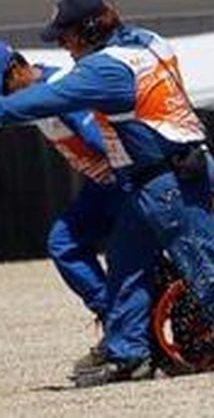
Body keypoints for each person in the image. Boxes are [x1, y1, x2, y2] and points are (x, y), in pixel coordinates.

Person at [0, 0, 214, 386]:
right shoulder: (146, 41)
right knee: (126, 264)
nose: (62, 46)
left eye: (65, 36)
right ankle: (129, 356)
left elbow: (32, 103)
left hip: (166, 181)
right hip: (162, 173)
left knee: (205, 270)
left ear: (88, 30)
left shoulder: (104, 70)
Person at [0, 40, 119, 336]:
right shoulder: (36, 95)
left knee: (121, 256)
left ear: (17, 68)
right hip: (102, 184)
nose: (5, 100)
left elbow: (102, 141)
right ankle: (114, 319)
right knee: (64, 242)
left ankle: (127, 327)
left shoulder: (61, 86)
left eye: (3, 89)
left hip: (123, 182)